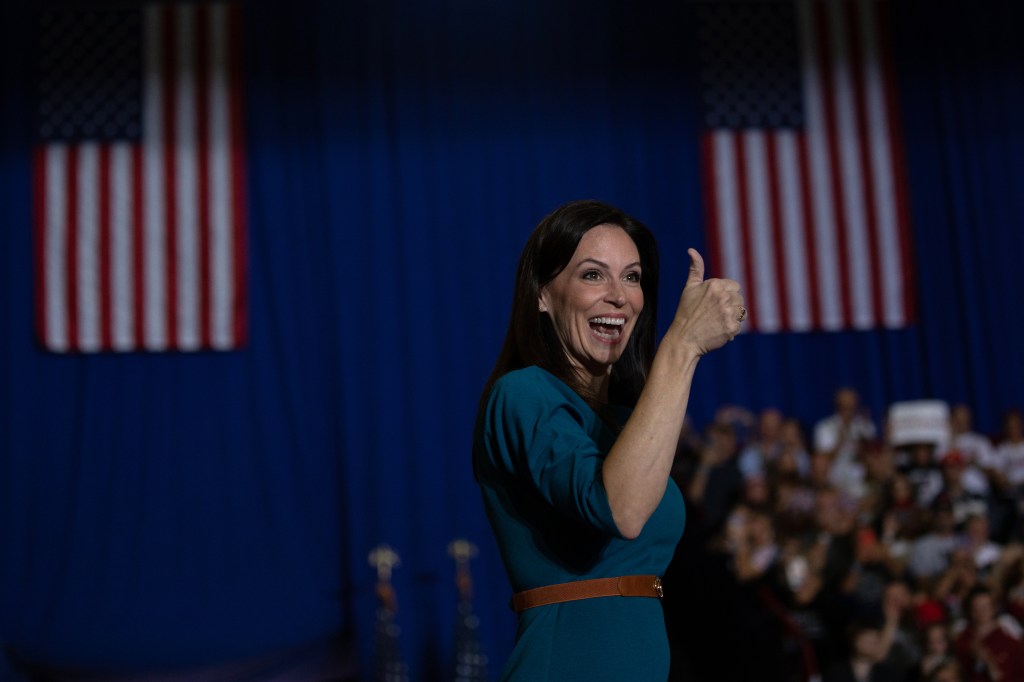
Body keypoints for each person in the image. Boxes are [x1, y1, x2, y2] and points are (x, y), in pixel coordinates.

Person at [472, 200, 745, 681]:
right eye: (593, 275)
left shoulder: (628, 423)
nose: (619, 296)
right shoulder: (521, 394)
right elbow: (620, 507)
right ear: (541, 293)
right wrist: (682, 345)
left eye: (633, 277)